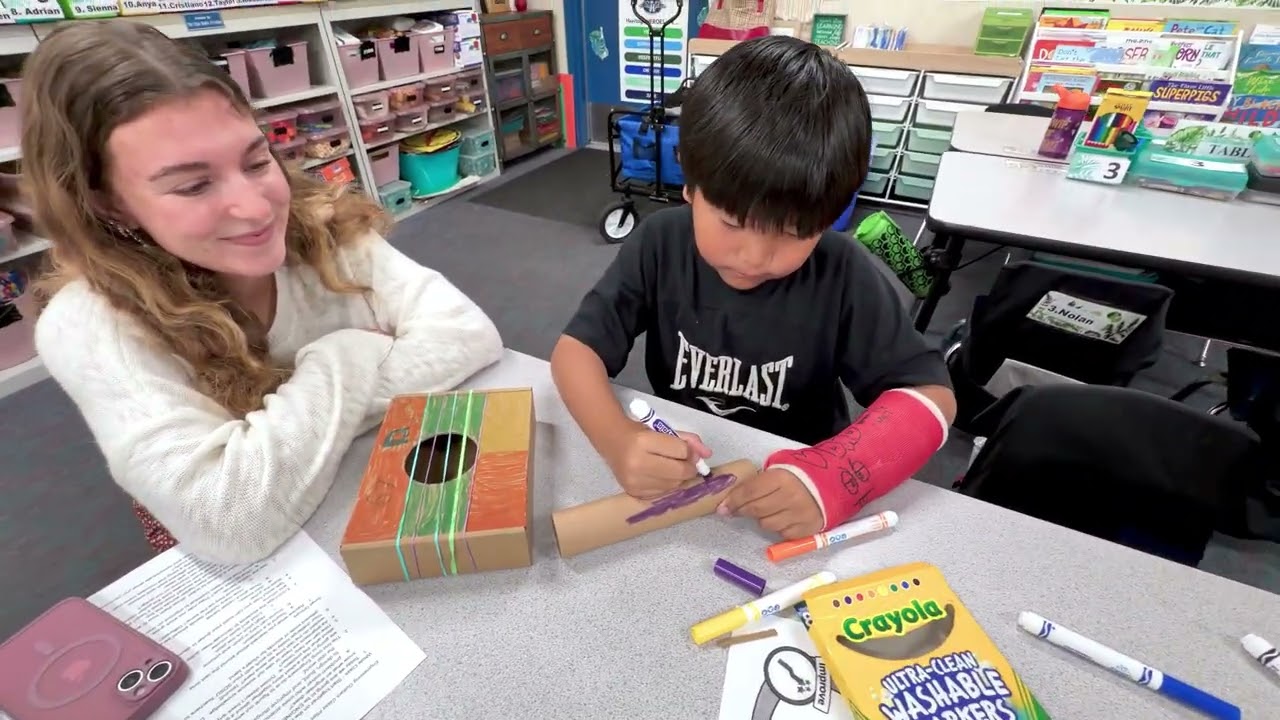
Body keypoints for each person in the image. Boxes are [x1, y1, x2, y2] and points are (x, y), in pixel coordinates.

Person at [23, 22, 504, 565]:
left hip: (370, 486)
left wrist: (271, 448)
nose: (257, 209)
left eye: (256, 161)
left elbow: (470, 335)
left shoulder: (324, 227)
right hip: (264, 568)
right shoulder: (90, 323)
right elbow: (227, 523)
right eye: (193, 185)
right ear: (110, 205)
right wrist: (351, 352)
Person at [551, 36, 956, 541]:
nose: (755, 256)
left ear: (829, 220)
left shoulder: (842, 273)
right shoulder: (660, 242)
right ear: (691, 189)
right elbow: (575, 351)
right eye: (731, 222)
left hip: (795, 487)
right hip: (685, 475)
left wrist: (829, 479)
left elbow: (933, 396)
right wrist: (617, 441)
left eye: (791, 234)